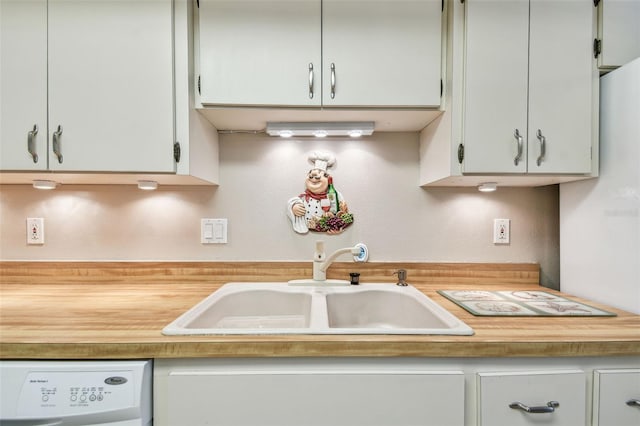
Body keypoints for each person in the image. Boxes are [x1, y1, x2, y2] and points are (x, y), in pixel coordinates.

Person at [287, 152, 352, 234]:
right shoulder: (304, 196)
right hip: (308, 232)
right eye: (310, 177)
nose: (314, 179)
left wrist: (338, 228)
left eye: (317, 177)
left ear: (328, 179)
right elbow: (293, 203)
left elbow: (344, 214)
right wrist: (294, 207)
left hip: (327, 232)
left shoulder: (334, 194)